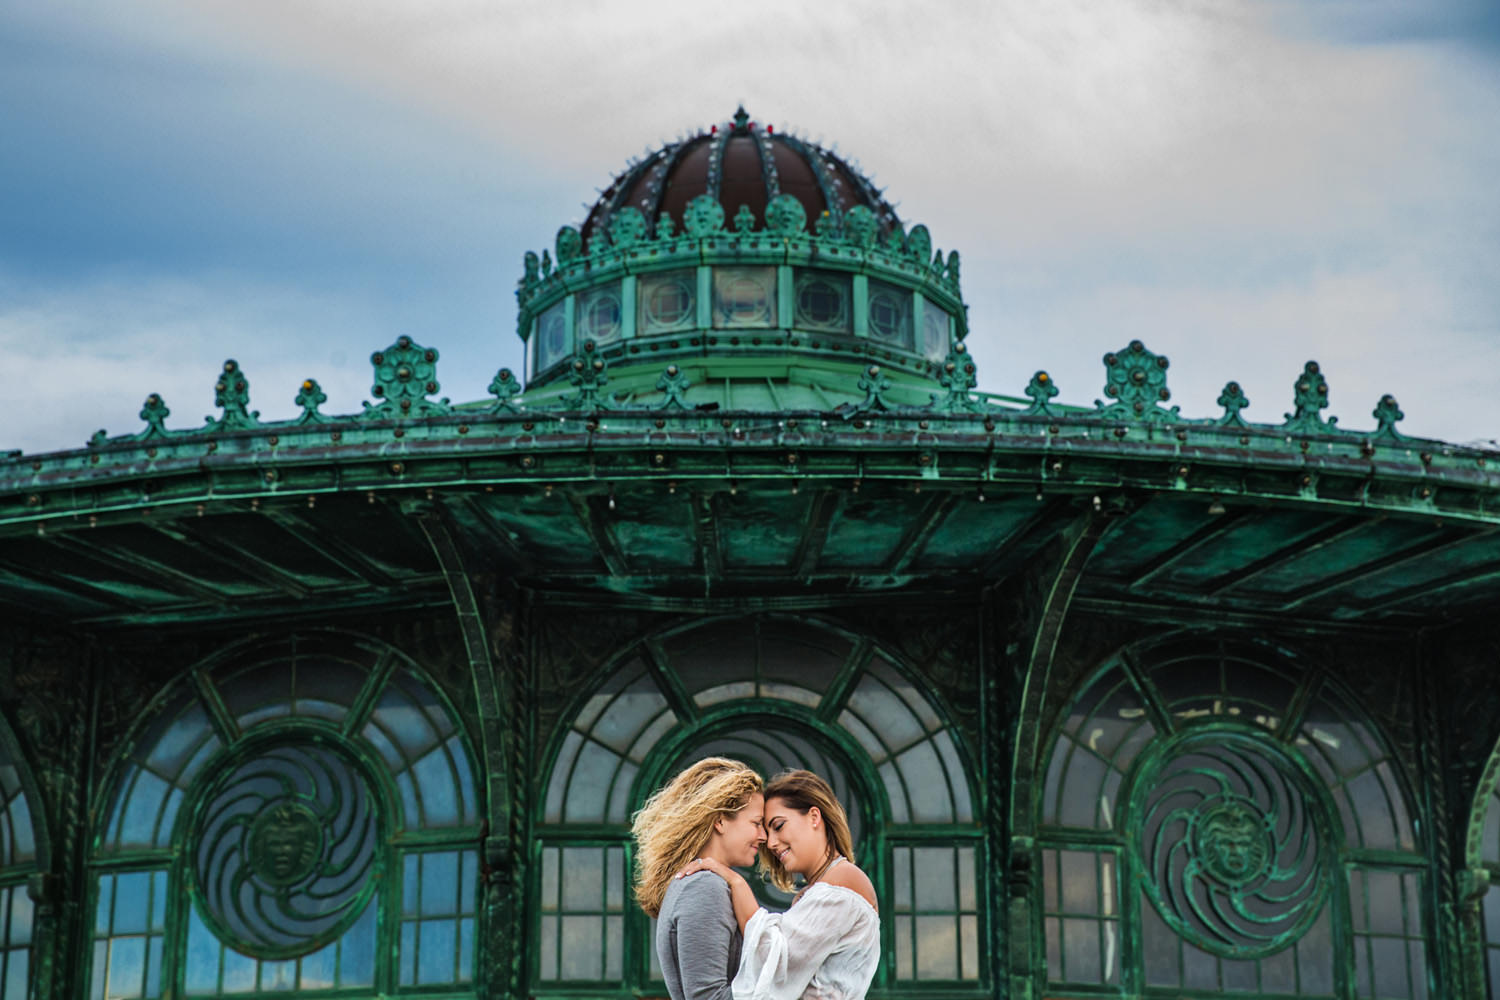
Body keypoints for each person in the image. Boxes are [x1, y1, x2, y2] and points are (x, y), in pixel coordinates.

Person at [678, 770, 879, 1000]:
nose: (771, 842)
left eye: (779, 825)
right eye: (765, 829)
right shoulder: (824, 887)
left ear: (814, 817)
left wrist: (736, 882)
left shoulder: (842, 882)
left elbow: (775, 958)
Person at [632, 757, 766, 1000]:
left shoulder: (703, 884)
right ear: (720, 821)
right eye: (756, 823)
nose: (764, 836)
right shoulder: (705, 888)